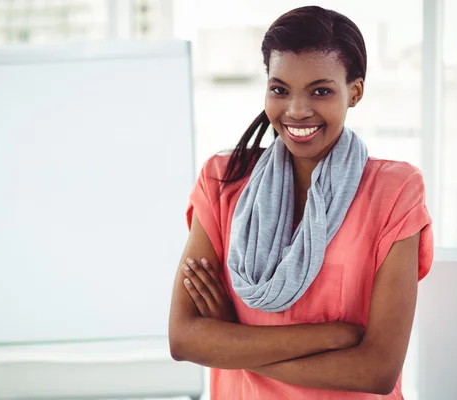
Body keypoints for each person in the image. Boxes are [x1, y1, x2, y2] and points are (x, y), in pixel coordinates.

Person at [168, 5, 433, 399]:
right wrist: (333, 335)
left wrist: (232, 343)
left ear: (354, 92)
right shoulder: (222, 181)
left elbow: (377, 369)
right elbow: (184, 339)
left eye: (321, 91)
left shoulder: (394, 191)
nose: (296, 110)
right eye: (280, 89)